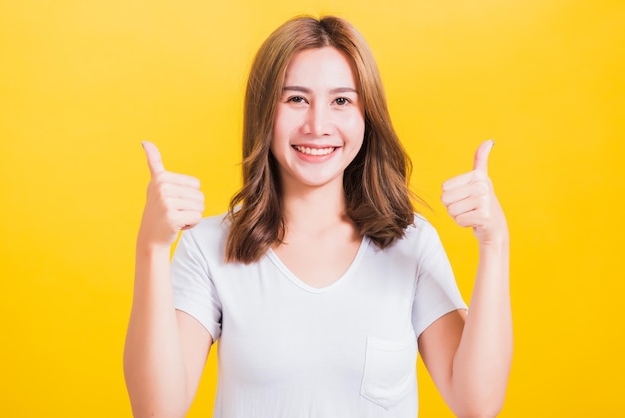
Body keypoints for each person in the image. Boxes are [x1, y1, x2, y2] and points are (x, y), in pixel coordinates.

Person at [123, 15, 512, 418]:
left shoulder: (410, 243)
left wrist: (494, 243)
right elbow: (156, 411)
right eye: (296, 99)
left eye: (341, 101)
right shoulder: (209, 247)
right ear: (264, 114)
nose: (318, 125)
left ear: (367, 117)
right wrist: (151, 248)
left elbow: (476, 404)